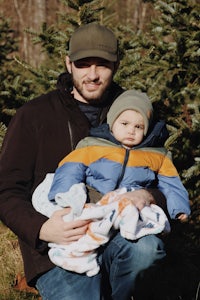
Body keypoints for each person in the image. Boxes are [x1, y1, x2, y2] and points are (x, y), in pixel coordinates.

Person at [0, 23, 185, 300]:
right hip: (58, 248)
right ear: (68, 64)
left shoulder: (135, 114)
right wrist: (42, 229)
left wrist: (149, 195)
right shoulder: (34, 116)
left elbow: (164, 176)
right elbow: (6, 190)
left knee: (146, 251)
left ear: (117, 65)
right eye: (83, 64)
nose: (93, 74)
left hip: (122, 234)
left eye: (103, 65)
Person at [32, 88, 191, 277]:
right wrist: (64, 196)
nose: (131, 130)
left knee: (141, 226)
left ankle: (128, 238)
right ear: (112, 122)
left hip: (129, 203)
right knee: (83, 225)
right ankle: (77, 255)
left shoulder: (157, 155)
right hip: (95, 198)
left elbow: (171, 183)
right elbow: (69, 169)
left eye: (138, 127)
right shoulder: (93, 145)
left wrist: (179, 207)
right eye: (125, 123)